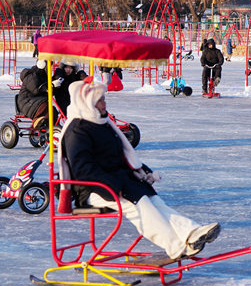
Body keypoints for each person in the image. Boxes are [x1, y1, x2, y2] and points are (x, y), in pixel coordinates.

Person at [60, 81, 220, 260]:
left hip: (116, 180)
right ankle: (176, 245)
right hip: (92, 188)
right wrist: (112, 185)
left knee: (153, 199)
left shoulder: (101, 123)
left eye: (104, 98)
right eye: (99, 100)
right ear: (87, 103)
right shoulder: (77, 131)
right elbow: (82, 169)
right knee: (139, 205)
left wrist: (142, 171)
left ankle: (191, 233)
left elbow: (121, 155)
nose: (104, 103)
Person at [17, 59, 58, 126]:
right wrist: (51, 86)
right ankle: (37, 121)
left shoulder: (44, 76)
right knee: (44, 105)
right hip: (26, 102)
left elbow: (49, 91)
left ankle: (53, 127)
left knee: (53, 111)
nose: (50, 69)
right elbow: (36, 89)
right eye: (49, 66)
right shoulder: (31, 75)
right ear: (43, 65)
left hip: (36, 102)